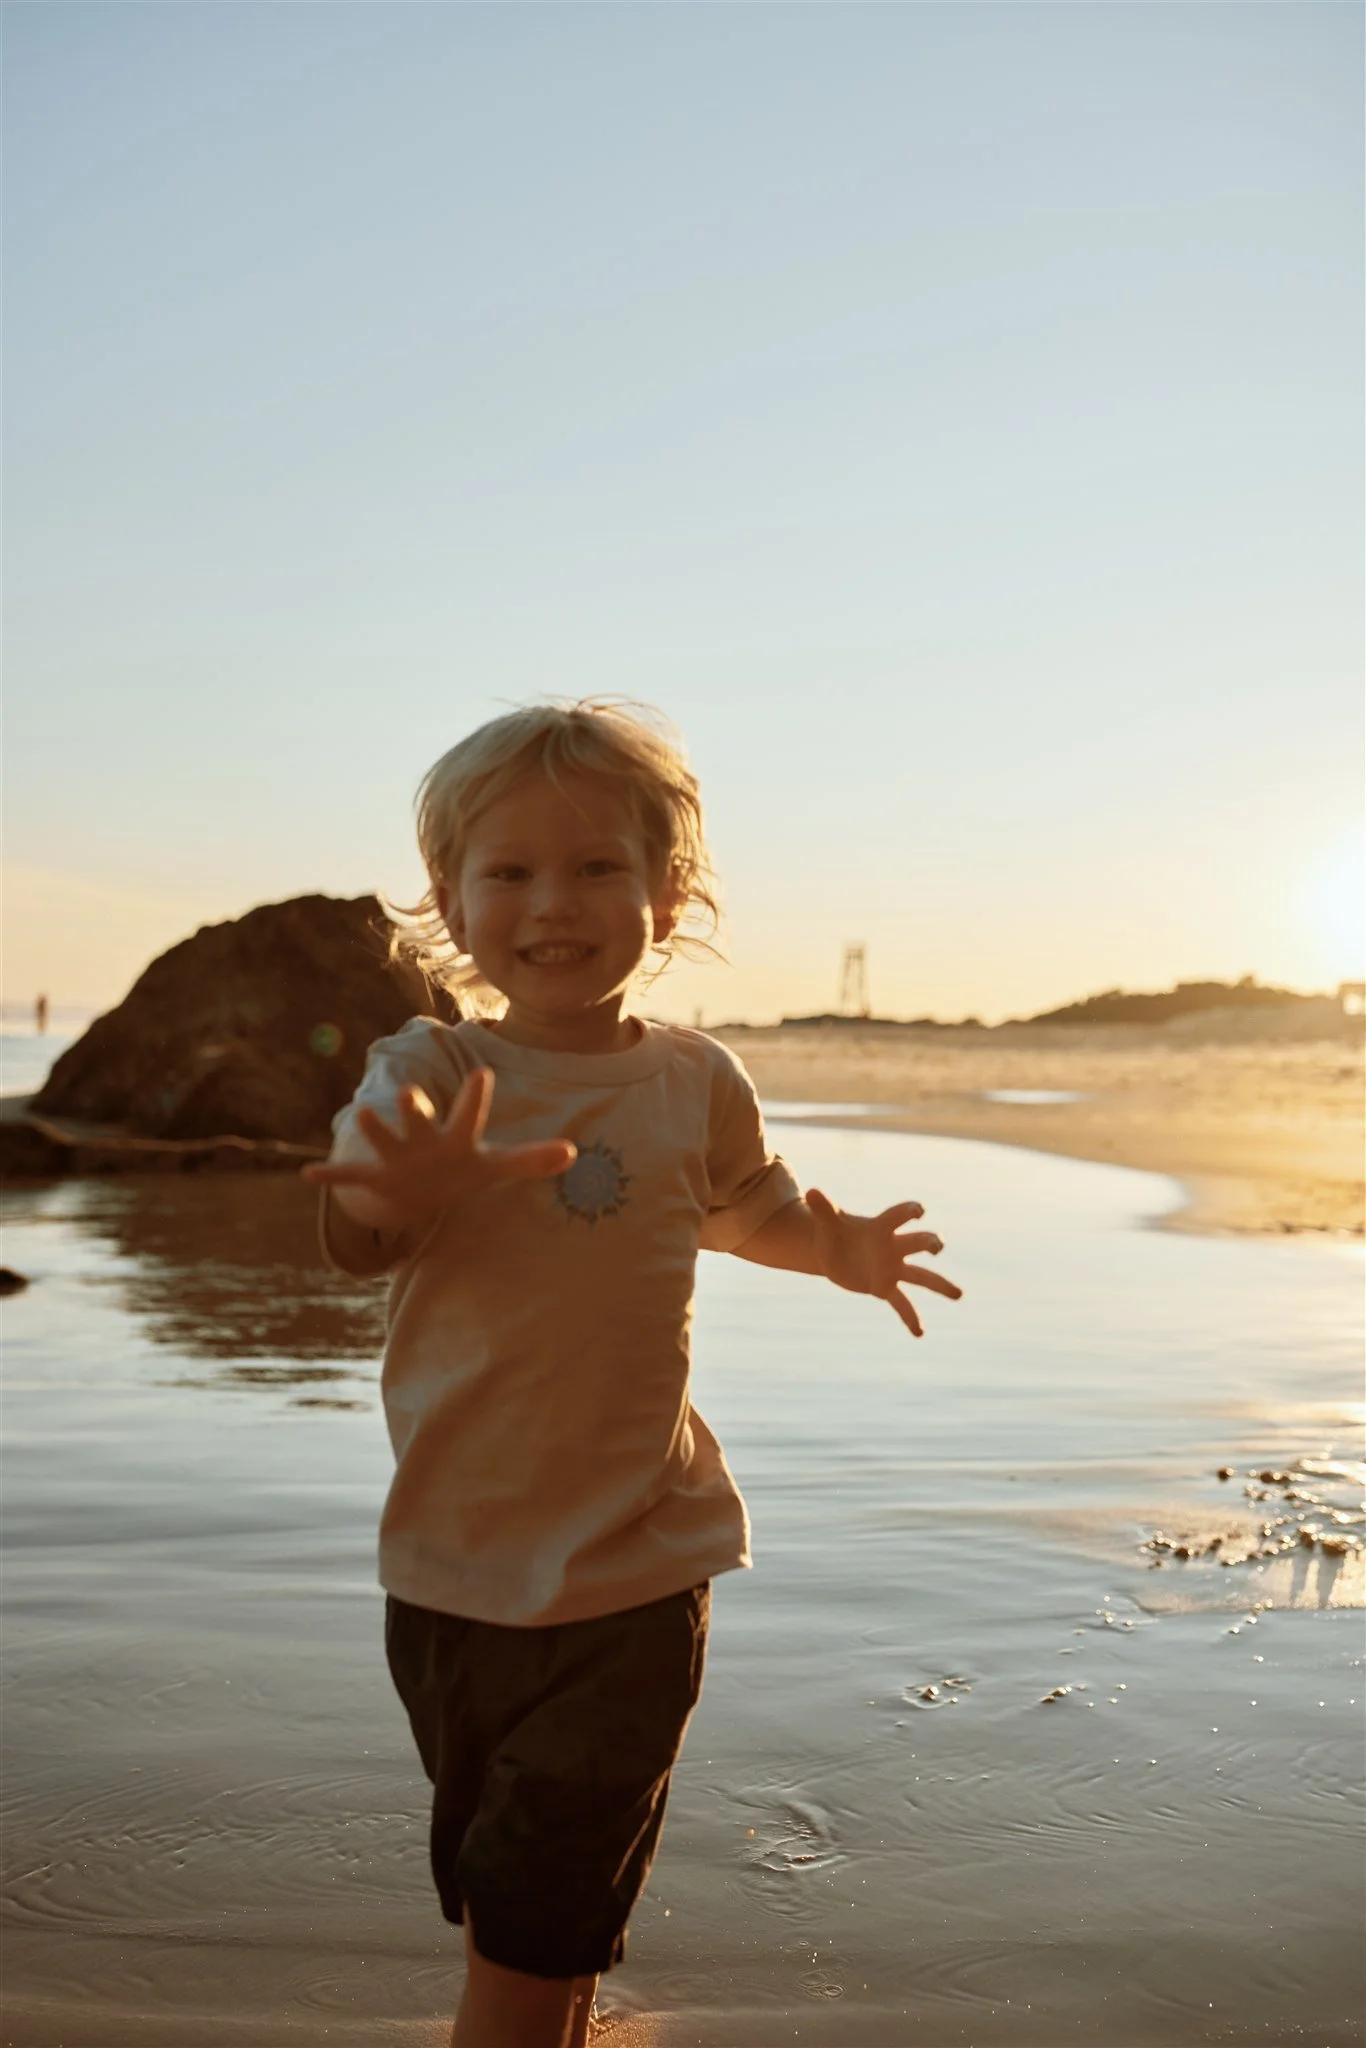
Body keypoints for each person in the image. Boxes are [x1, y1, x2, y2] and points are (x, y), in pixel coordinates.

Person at [306, 700, 961, 2048]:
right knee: (520, 1892)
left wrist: (831, 1249)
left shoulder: (692, 1081)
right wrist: (394, 1187)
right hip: (449, 1575)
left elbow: (743, 1206)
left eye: (598, 866)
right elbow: (356, 1232)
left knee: (535, 1904)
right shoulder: (428, 1066)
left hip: (640, 1566)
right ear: (449, 901)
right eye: (511, 872)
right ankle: (568, 2012)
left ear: (668, 896)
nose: (556, 903)